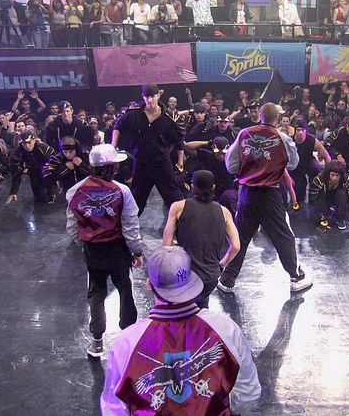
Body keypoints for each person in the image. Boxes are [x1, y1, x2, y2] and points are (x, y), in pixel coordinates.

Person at [100, 245, 261, 415]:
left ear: (149, 285)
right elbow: (249, 392)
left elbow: (113, 407)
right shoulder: (225, 328)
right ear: (191, 281)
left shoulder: (127, 342)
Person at [218, 103, 312, 294]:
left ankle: (227, 280)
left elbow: (231, 165)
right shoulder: (283, 138)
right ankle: (295, 276)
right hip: (270, 194)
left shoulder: (244, 134)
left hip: (247, 194)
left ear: (260, 116)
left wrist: (250, 168)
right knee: (283, 236)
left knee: (241, 237)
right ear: (276, 118)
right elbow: (293, 164)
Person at [65, 144, 144, 359]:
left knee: (96, 293)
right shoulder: (122, 191)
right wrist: (137, 252)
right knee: (125, 292)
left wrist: (86, 244)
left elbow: (72, 227)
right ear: (112, 167)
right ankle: (128, 338)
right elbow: (130, 226)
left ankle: (97, 342)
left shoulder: (75, 191)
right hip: (118, 250)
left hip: (93, 252)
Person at [162, 170, 240, 308]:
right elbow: (235, 246)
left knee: (183, 311)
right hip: (210, 278)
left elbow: (167, 244)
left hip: (185, 276)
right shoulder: (224, 212)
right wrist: (221, 265)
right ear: (213, 188)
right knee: (202, 309)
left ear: (193, 187)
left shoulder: (178, 207)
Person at [112, 84, 184, 215]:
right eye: (147, 97)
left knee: (174, 197)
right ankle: (127, 226)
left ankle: (183, 223)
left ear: (158, 96)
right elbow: (118, 126)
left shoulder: (169, 117)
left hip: (162, 163)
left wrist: (180, 161)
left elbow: (178, 141)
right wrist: (113, 144)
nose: (150, 100)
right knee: (136, 200)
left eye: (153, 96)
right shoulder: (134, 114)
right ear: (143, 97)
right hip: (141, 163)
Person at [289, 117, 331, 207]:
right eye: (298, 130)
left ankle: (314, 195)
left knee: (316, 169)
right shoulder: (290, 141)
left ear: (306, 131)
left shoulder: (312, 140)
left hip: (308, 162)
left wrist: (326, 175)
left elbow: (327, 156)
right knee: (298, 195)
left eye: (302, 130)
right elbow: (283, 161)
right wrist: (288, 178)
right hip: (295, 166)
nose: (300, 132)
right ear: (295, 130)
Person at [6, 130, 55, 204]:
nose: (27, 146)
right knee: (38, 195)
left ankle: (51, 189)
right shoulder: (17, 153)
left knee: (44, 172)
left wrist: (59, 181)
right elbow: (16, 173)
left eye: (29, 142)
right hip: (32, 170)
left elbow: (56, 161)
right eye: (24, 143)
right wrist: (13, 191)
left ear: (34, 140)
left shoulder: (43, 147)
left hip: (47, 168)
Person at [309, 160, 349, 232]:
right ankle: (326, 214)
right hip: (324, 199)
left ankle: (340, 218)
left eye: (337, 175)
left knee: (341, 193)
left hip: (340, 198)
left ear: (340, 175)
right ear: (328, 174)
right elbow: (313, 197)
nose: (335, 178)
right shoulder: (319, 179)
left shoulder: (347, 181)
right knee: (316, 220)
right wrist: (323, 217)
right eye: (332, 175)